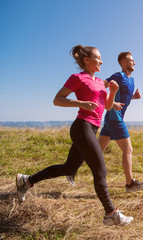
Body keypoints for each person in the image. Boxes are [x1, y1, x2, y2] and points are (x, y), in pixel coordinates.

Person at [16, 45, 133, 226]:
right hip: (82, 127)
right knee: (101, 171)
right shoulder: (78, 78)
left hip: (93, 128)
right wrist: (81, 103)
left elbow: (107, 107)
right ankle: (111, 213)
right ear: (87, 60)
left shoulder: (101, 82)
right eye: (99, 58)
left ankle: (27, 180)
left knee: (69, 168)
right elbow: (57, 99)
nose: (102, 61)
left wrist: (113, 93)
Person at [67, 51, 143, 193]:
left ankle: (71, 169)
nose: (134, 62)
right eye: (131, 60)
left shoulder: (132, 79)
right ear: (123, 63)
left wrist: (133, 97)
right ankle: (130, 184)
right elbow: (100, 87)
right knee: (128, 149)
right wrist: (107, 101)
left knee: (96, 150)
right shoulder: (118, 76)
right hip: (114, 117)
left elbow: (124, 98)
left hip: (113, 119)